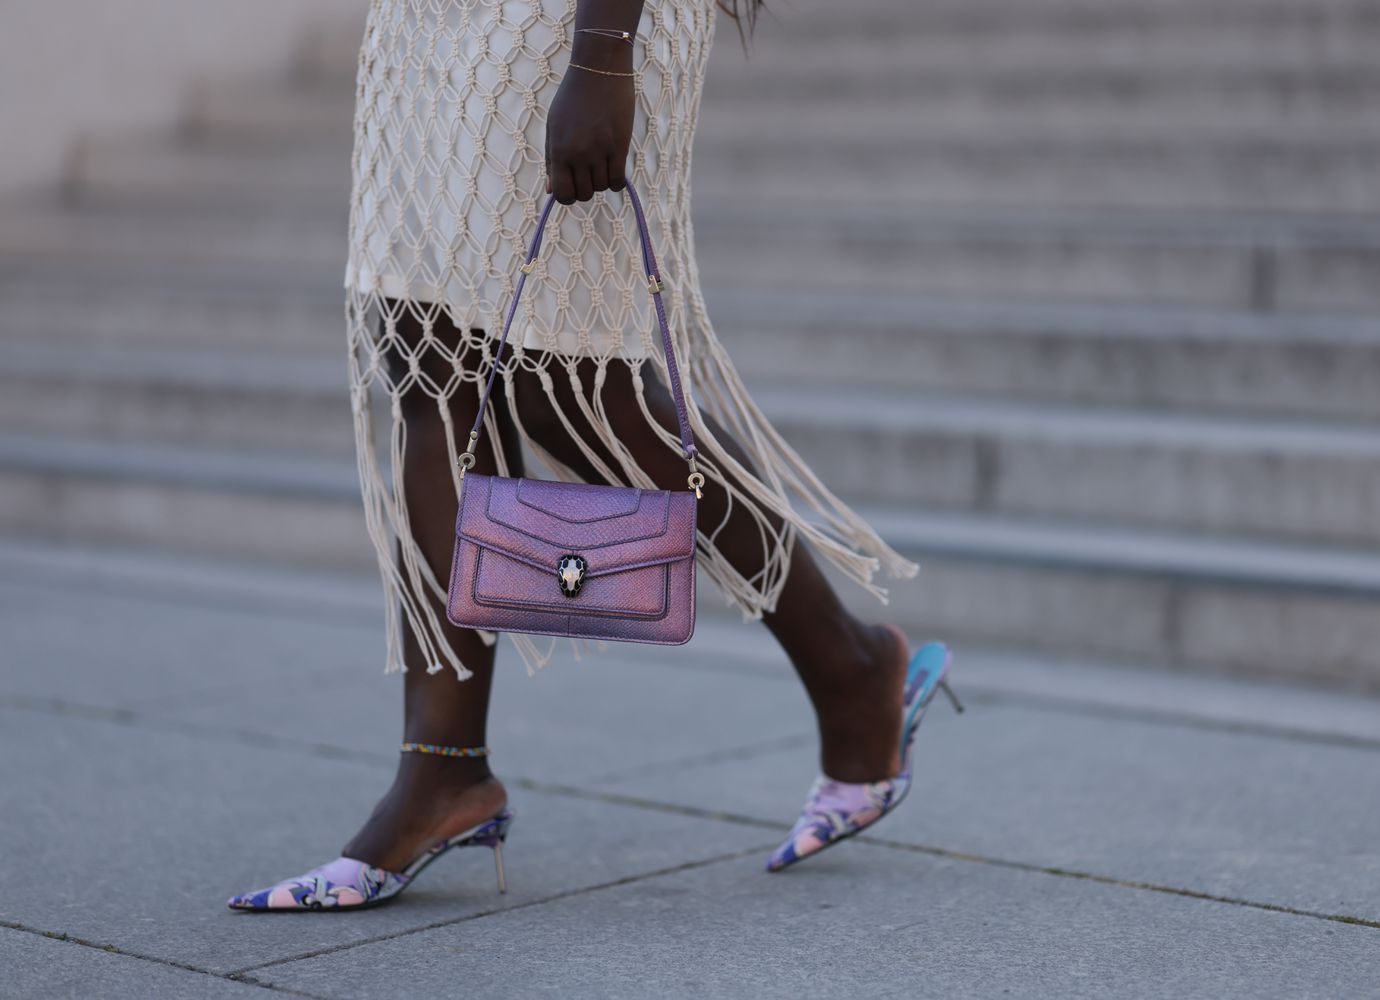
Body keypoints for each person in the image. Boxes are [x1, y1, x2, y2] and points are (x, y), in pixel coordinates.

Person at [227, 0, 957, 911]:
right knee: (426, 359)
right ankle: (442, 771)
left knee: (567, 385)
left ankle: (853, 672)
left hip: (560, 23)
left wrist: (604, 50)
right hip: (421, 22)